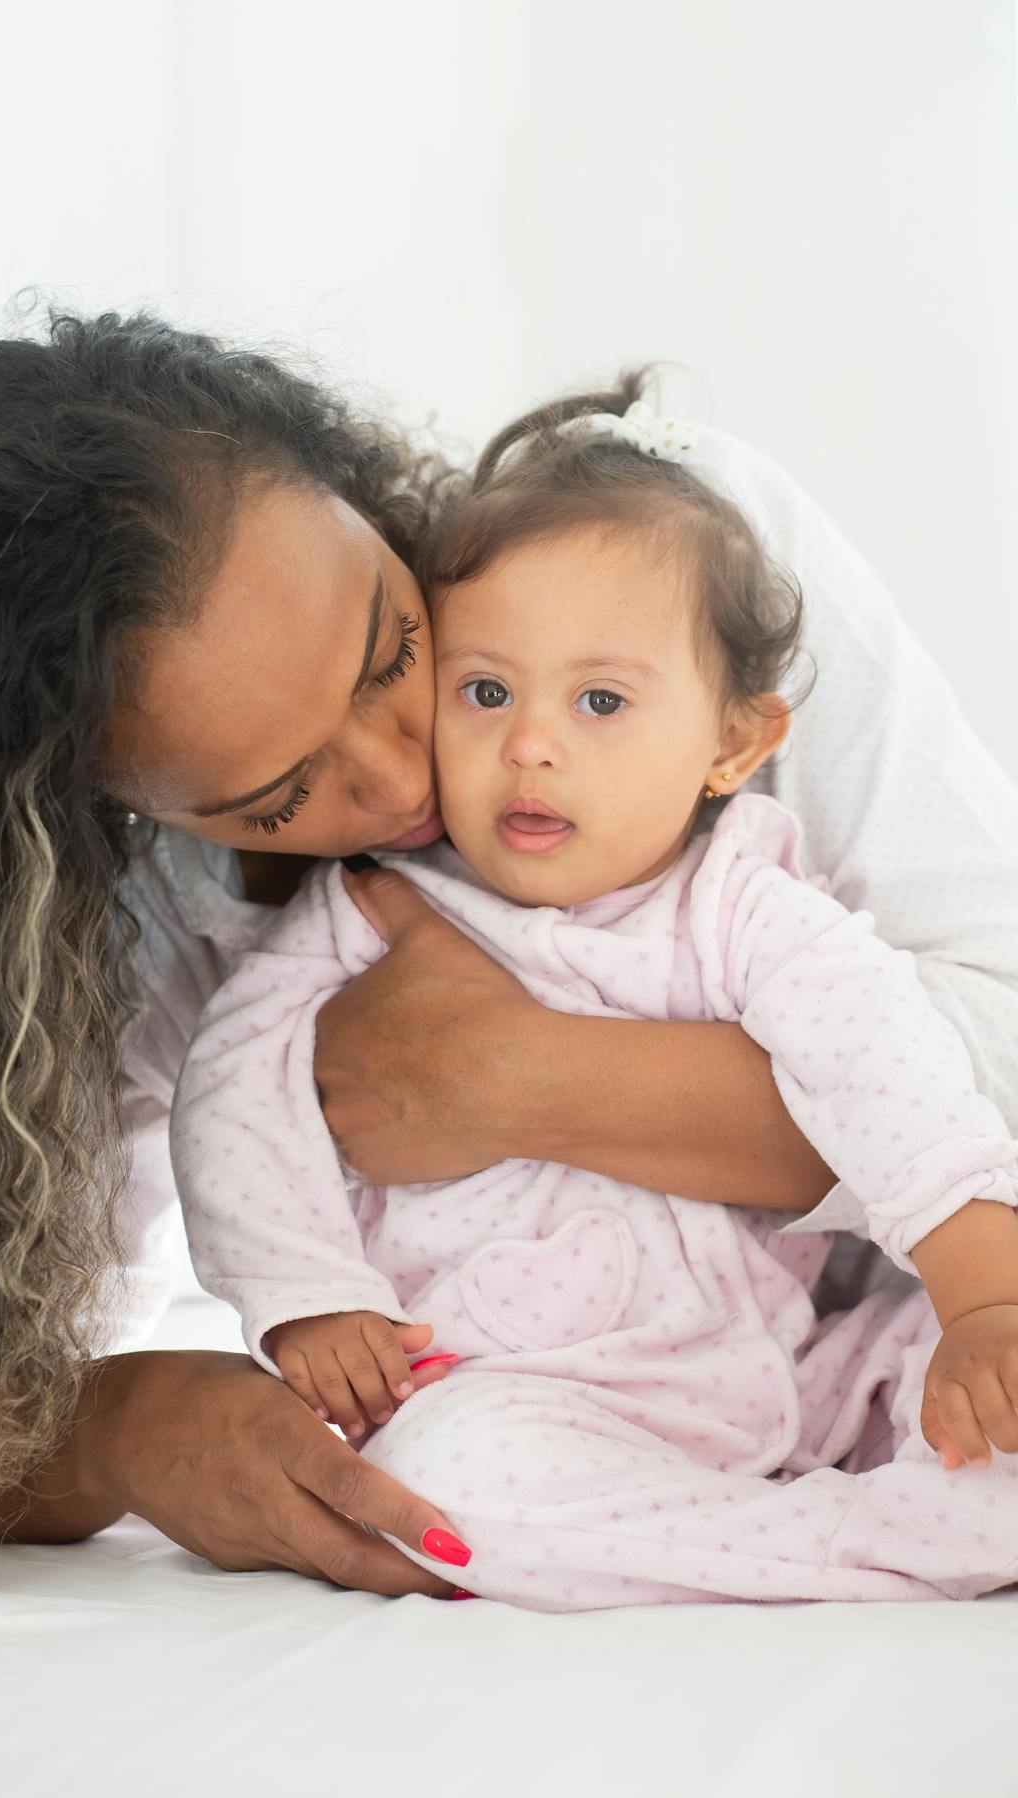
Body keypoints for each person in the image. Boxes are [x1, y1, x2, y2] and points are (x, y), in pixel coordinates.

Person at [0, 314, 1016, 1591]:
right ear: (113, 817)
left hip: (855, 1337)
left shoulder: (650, 562)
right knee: (453, 1483)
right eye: (277, 797)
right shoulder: (150, 922)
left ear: (362, 500)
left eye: (395, 652)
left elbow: (970, 1033)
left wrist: (513, 1079)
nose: (409, 781)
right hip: (561, 1403)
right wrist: (120, 1428)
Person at [169, 380, 1018, 1609]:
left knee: (985, 1387)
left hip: (804, 1360)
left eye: (602, 702)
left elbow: (883, 1062)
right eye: (484, 691)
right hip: (531, 1384)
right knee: (442, 1482)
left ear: (734, 744)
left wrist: (982, 1286)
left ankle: (854, 1506)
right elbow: (232, 1093)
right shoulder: (371, 913)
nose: (531, 745)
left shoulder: (741, 898)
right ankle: (840, 1549)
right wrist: (310, 1295)